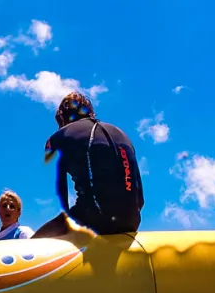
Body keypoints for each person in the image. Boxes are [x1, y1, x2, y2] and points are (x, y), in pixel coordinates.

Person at [33, 92, 144, 238]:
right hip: (132, 221)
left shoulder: (60, 136)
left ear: (62, 117)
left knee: (34, 243)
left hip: (94, 221)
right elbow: (140, 199)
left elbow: (60, 192)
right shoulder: (122, 135)